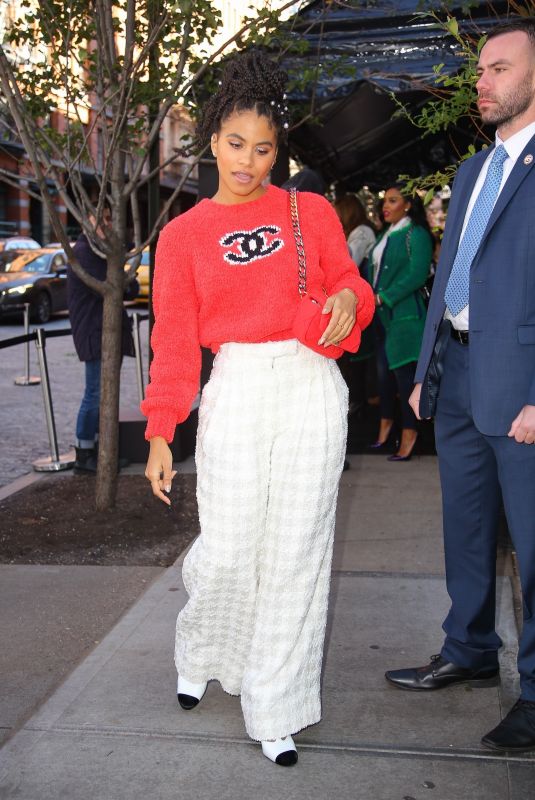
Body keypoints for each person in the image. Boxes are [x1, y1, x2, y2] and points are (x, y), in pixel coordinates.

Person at [141, 51, 374, 767]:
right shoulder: (180, 236)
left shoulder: (309, 210)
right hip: (237, 387)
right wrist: (159, 433)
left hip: (308, 386)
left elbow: (350, 287)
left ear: (279, 151)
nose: (247, 161)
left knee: (296, 552)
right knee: (230, 548)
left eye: (263, 147)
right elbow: (177, 344)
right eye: (235, 144)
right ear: (211, 139)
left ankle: (274, 705)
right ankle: (204, 648)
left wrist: (346, 300)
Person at [385, 18, 535, 753]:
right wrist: (424, 373)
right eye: (480, 70)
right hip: (457, 372)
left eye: (499, 69)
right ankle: (469, 650)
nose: (482, 82)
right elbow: (450, 275)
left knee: (533, 547)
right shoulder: (474, 170)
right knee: (464, 528)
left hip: (524, 388)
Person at [68, 211, 136, 472]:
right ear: (87, 220)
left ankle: (98, 451)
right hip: (96, 332)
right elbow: (115, 287)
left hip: (106, 331)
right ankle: (85, 453)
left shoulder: (99, 252)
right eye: (102, 219)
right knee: (95, 393)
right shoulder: (85, 252)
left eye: (110, 218)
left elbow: (129, 288)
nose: (108, 224)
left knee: (102, 394)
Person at [369, 186, 433, 460]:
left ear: (408, 204)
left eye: (393, 201)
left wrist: (384, 297)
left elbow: (418, 274)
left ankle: (410, 433)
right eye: (385, 201)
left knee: (406, 381)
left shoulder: (415, 234)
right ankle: (387, 427)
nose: (386, 206)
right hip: (383, 318)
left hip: (406, 317)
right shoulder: (386, 234)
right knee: (385, 378)